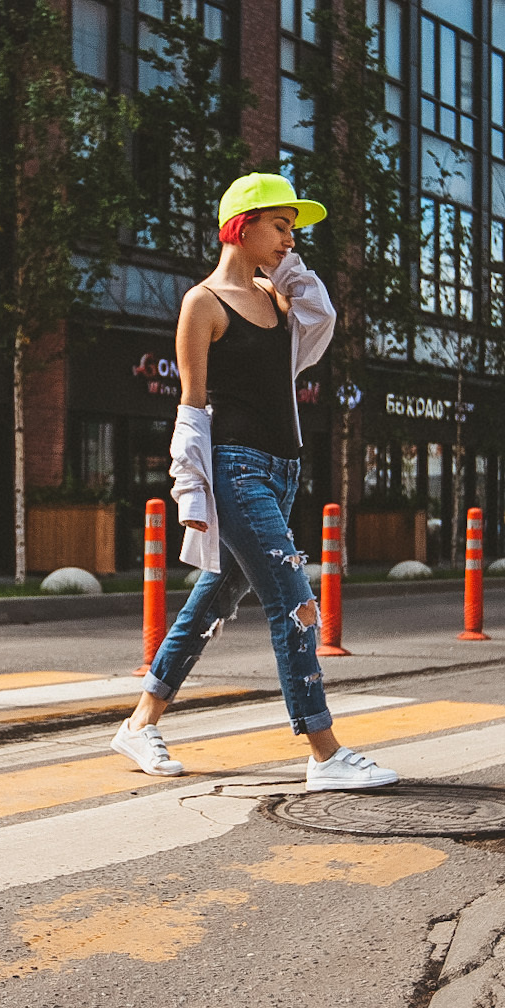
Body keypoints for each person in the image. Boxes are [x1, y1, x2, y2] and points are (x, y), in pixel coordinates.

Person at [109, 173, 399, 790]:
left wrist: (286, 272)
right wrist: (190, 492)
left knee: (212, 600)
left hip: (283, 469)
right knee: (294, 602)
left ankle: (139, 723)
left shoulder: (277, 298)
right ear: (241, 225)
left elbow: (320, 324)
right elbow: (190, 407)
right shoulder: (203, 304)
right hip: (235, 470)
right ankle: (324, 752)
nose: (291, 241)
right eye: (280, 226)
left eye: (294, 229)